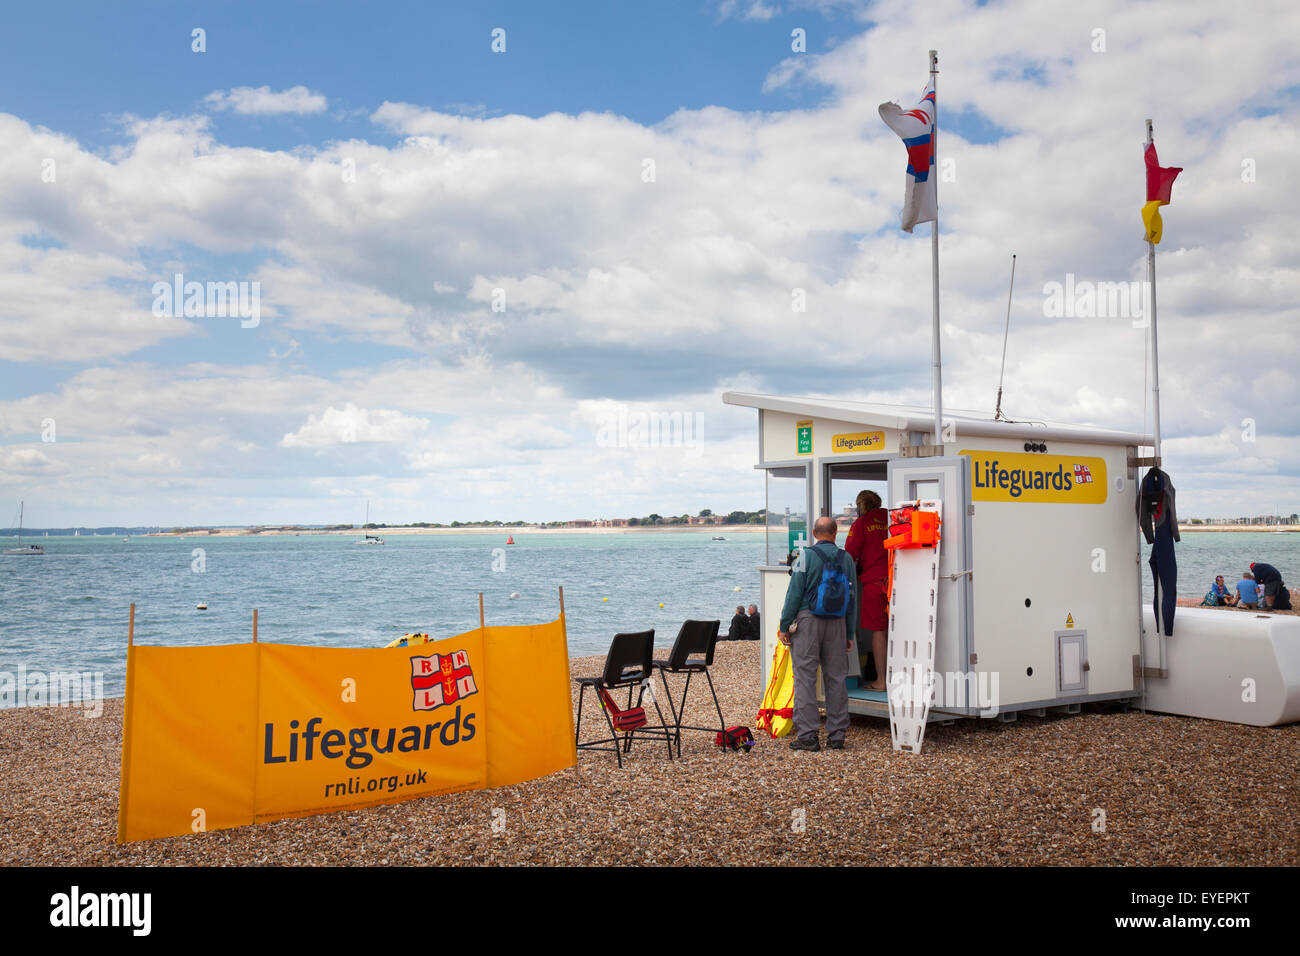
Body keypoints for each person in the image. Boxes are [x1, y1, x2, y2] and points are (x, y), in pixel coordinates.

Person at [777, 516, 857, 752]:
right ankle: (837, 736)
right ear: (836, 533)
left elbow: (794, 593)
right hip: (837, 623)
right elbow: (852, 598)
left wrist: (784, 625)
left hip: (808, 621)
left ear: (814, 533)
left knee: (805, 678)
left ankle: (808, 736)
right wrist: (849, 631)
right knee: (836, 678)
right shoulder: (847, 558)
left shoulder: (805, 557)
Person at [844, 489, 890, 691]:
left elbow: (849, 553)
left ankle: (881, 681)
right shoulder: (890, 517)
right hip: (897, 579)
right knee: (899, 628)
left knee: (879, 631)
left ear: (860, 505)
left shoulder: (861, 524)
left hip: (873, 582)